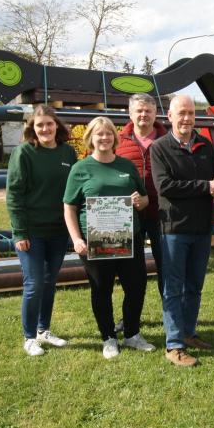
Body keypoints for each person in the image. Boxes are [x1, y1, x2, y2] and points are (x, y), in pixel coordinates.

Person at [150, 95, 214, 367]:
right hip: (173, 229)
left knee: (195, 286)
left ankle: (188, 333)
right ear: (170, 117)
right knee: (173, 288)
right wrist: (204, 187)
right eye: (181, 113)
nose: (186, 118)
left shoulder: (205, 145)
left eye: (190, 113)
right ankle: (173, 345)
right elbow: (165, 186)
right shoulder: (159, 148)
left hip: (202, 229)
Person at [63, 116, 156, 359]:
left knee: (136, 287)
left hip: (129, 238)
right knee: (101, 289)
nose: (104, 138)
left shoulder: (126, 166)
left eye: (108, 134)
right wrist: (76, 239)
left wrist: (139, 202)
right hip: (96, 240)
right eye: (99, 134)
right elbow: (69, 207)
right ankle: (108, 338)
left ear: (115, 138)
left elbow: (145, 199)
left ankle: (132, 334)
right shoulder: (80, 169)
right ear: (90, 138)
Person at [6, 105, 77, 357]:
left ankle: (43, 330)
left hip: (58, 232)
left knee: (49, 283)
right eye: (39, 125)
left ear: (57, 125)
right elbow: (14, 195)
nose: (45, 129)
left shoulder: (69, 152)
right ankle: (28, 337)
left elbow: (76, 191)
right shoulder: (24, 153)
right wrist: (19, 232)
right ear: (32, 129)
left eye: (49, 123)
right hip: (31, 233)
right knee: (34, 283)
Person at [113, 93, 168, 333]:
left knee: (167, 270)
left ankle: (172, 320)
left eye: (148, 111)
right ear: (130, 114)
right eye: (139, 111)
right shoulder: (118, 141)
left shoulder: (169, 140)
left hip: (162, 216)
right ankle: (129, 319)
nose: (143, 115)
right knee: (131, 276)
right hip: (128, 219)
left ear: (156, 113)